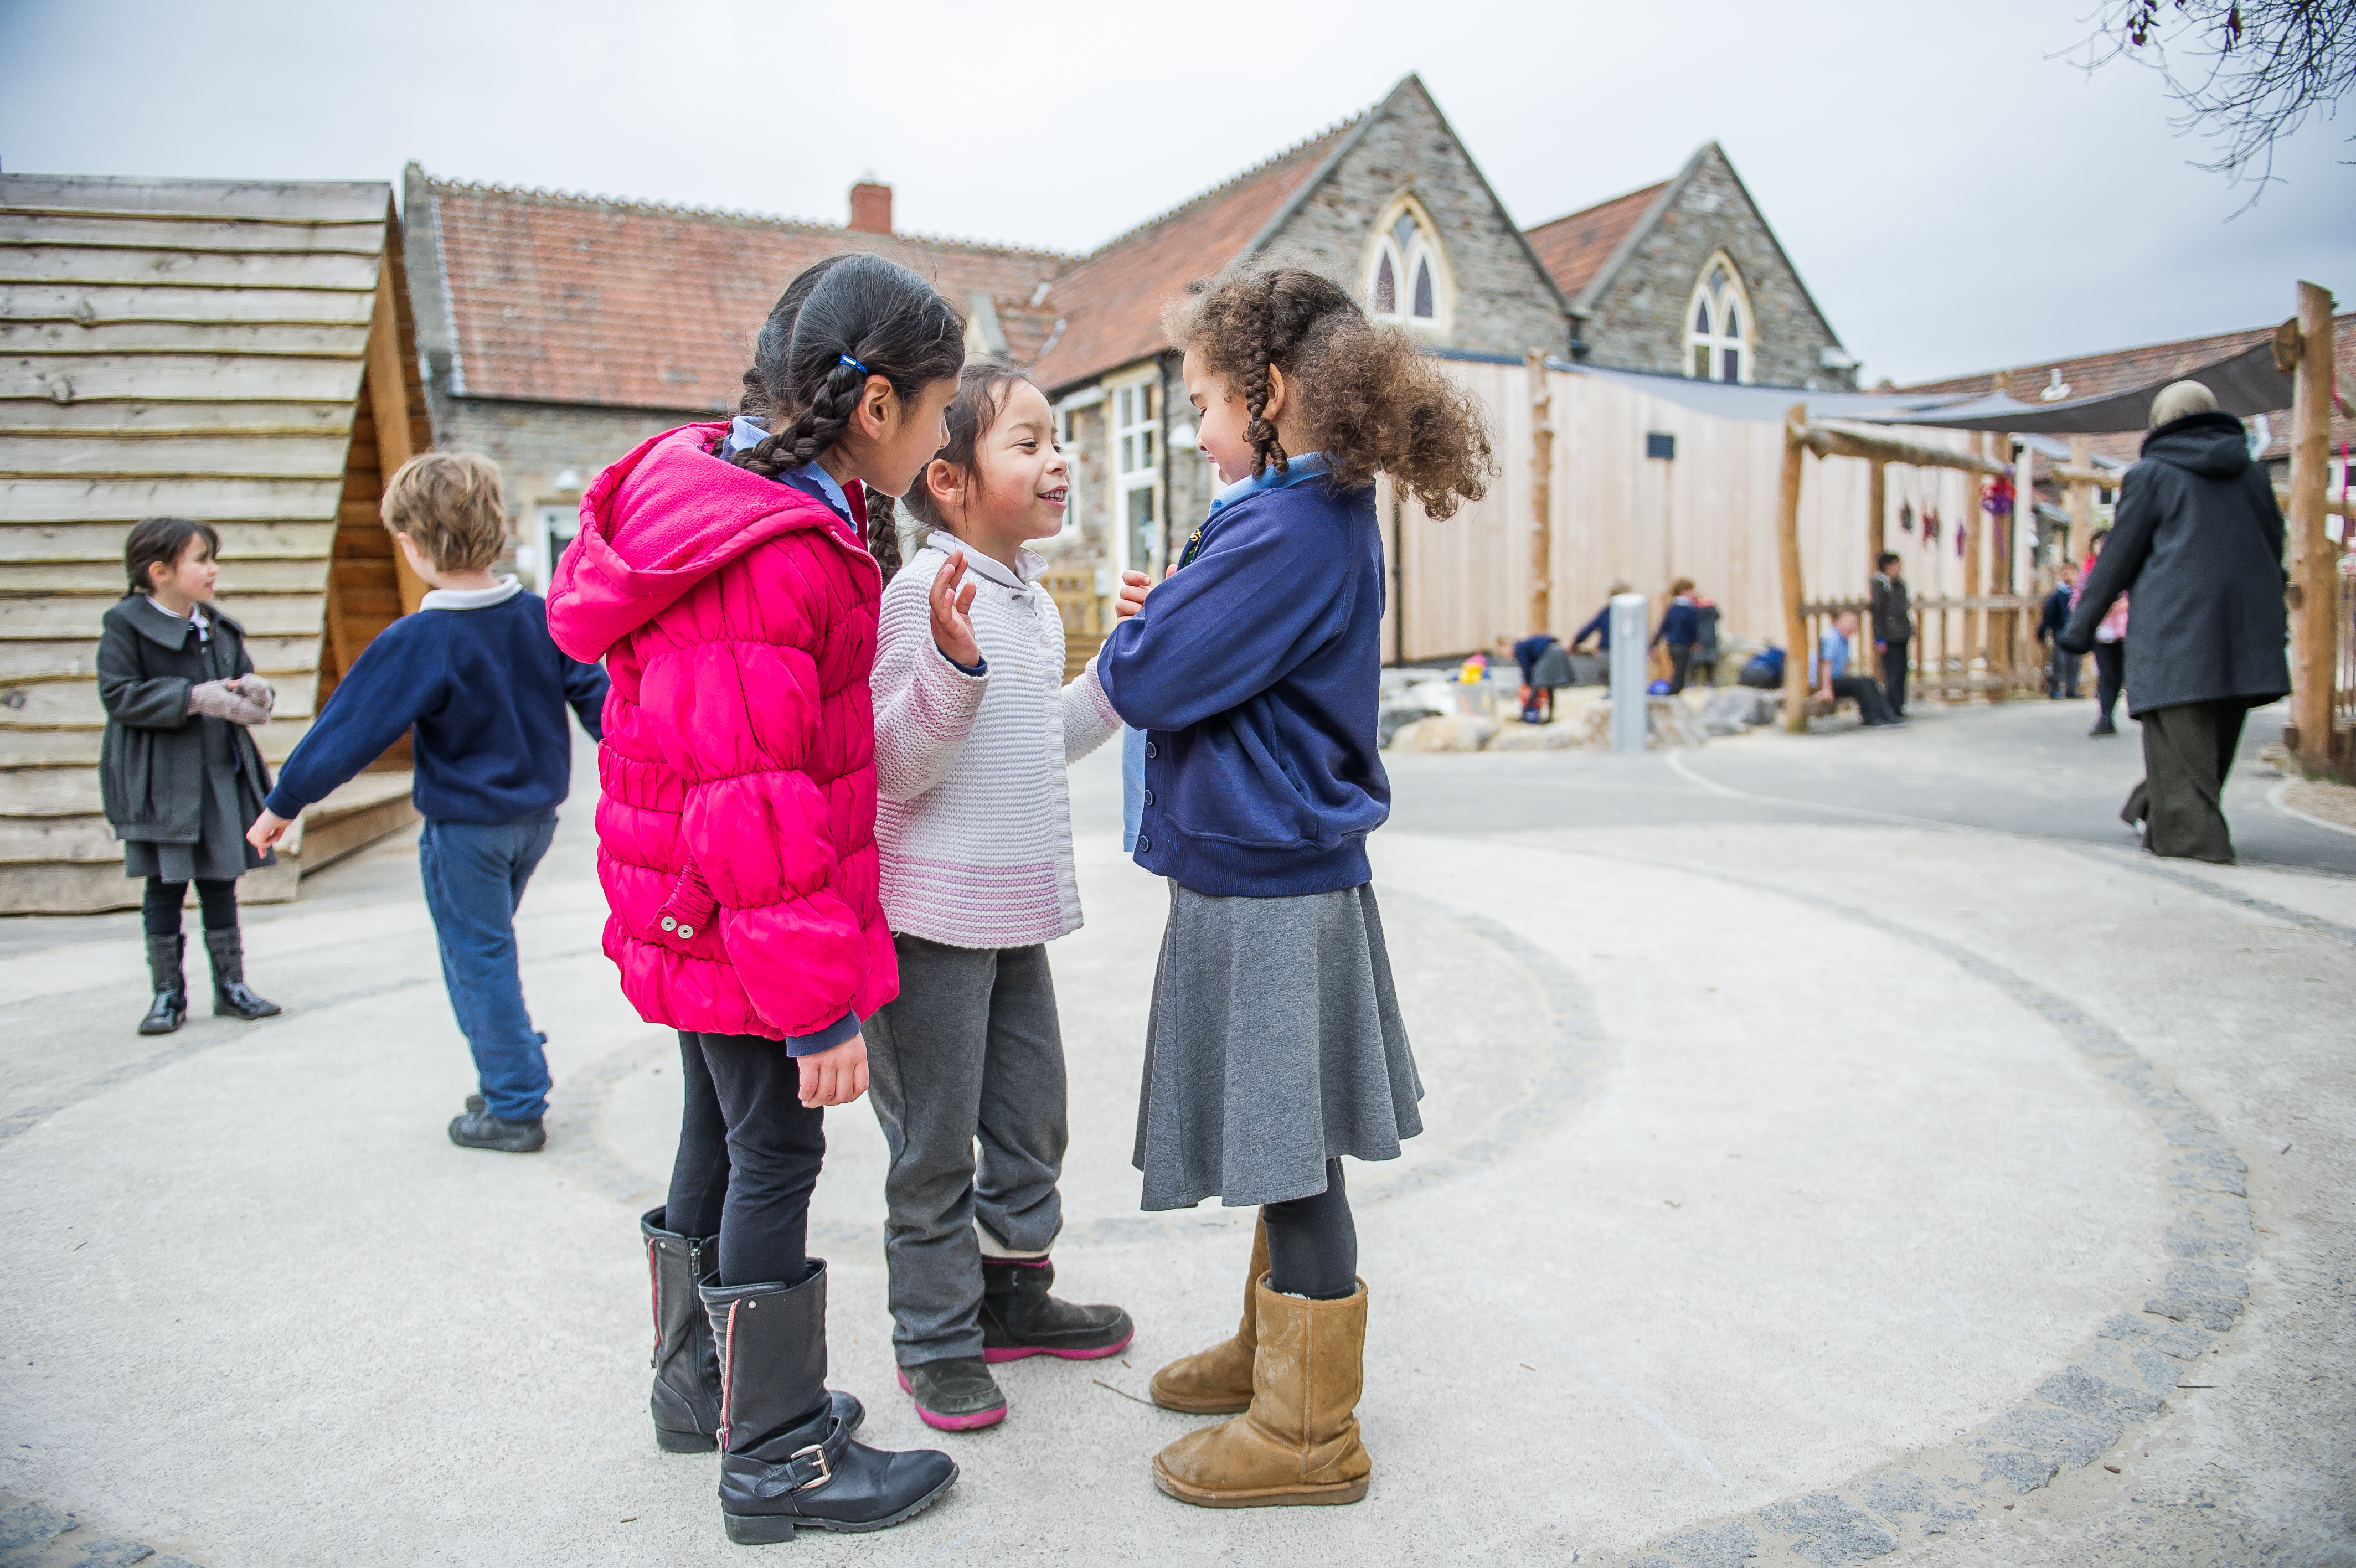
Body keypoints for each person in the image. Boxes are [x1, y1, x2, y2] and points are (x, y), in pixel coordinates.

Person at [544, 254, 965, 1543]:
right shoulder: (772, 548)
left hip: (691, 906)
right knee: (775, 1147)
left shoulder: (733, 496)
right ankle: (776, 1454)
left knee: (719, 1138)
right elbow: (755, 793)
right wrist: (818, 1009)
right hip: (737, 912)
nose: (944, 433)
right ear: (878, 403)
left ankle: (702, 1387)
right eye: (941, 408)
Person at [1100, 267, 1491, 1509]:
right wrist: (1171, 617)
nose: (1196, 428)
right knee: (1285, 1141)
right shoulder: (1310, 510)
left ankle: (1311, 1434)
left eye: (1206, 402)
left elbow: (1155, 676)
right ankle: (1275, 1357)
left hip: (1268, 881)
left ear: (1268, 396)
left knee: (1294, 1155)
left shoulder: (1280, 526)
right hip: (1272, 869)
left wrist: (1146, 628)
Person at [864, 360, 1133, 1432]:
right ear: (948, 479)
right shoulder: (920, 596)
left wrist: (1122, 671)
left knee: (1030, 1123)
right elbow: (898, 768)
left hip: (1012, 915)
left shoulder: (1023, 599)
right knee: (933, 1147)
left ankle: (1012, 1299)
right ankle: (934, 1339)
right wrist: (946, 664)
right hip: (928, 922)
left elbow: (1040, 739)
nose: (1057, 459)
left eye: (1055, 438)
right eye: (1027, 442)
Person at [246, 452, 609, 1154]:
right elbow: (602, 704)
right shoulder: (542, 616)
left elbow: (347, 731)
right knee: (486, 947)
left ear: (411, 545)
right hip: (534, 822)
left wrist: (283, 802)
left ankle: (513, 1101)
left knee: (477, 957)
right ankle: (506, 1067)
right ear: (498, 528)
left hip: (467, 832)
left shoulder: (423, 638)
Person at [2059, 380, 2289, 864]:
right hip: (2242, 638)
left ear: (2160, 422)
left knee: (2183, 757)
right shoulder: (2253, 476)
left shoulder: (2152, 475)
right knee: (2205, 756)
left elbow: (2117, 557)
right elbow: (2273, 549)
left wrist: (2079, 628)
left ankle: (2197, 852)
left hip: (2175, 637)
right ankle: (2154, 810)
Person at [99, 517, 283, 1035]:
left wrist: (256, 693)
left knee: (221, 880)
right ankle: (167, 995)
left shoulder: (218, 628)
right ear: (159, 572)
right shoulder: (124, 624)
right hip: (158, 781)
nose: (213, 568)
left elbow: (240, 678)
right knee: (164, 886)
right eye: (201, 559)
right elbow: (118, 695)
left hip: (216, 773)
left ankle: (231, 988)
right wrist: (191, 697)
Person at [2077, 530, 2130, 735]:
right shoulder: (2089, 570)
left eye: (2104, 542)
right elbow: (2079, 598)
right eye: (2097, 542)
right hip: (2102, 629)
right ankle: (2106, 716)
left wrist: (2125, 602)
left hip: (2125, 627)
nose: (2100, 546)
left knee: (2120, 673)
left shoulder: (2125, 566)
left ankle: (2113, 711)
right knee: (2107, 673)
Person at [1812, 610, 1903, 727]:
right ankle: (1871, 717)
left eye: (1854, 623)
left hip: (1836, 679)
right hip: (1826, 682)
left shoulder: (1843, 639)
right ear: (1836, 622)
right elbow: (1826, 664)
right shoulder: (1831, 638)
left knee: (1869, 680)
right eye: (1847, 621)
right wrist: (1826, 689)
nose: (1851, 626)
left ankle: (1887, 715)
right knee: (1859, 684)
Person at [1869, 552, 1914, 717]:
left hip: (1902, 633)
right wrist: (1879, 637)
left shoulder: (1900, 585)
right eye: (1896, 565)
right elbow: (1878, 613)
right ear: (1887, 567)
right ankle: (1890, 707)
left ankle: (1900, 705)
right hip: (1890, 635)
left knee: (1903, 670)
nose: (1899, 569)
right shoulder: (1881, 585)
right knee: (1893, 673)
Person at [2038, 561, 2082, 699]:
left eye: (2071, 572)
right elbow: (2049, 616)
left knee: (2075, 662)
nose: (2068, 575)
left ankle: (2072, 688)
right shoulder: (2057, 595)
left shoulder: (2079, 593)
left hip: (2076, 634)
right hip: (2060, 634)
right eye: (2065, 572)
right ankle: (2056, 688)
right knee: (2059, 662)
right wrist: (2043, 631)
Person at [1652, 577, 1703, 694]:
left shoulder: (1672, 608)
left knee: (1677, 670)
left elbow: (1664, 626)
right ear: (1684, 591)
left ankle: (1675, 691)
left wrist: (1654, 644)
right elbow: (1693, 628)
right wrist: (1695, 641)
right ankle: (1674, 692)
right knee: (1681, 671)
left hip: (1672, 644)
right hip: (1683, 644)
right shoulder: (1690, 609)